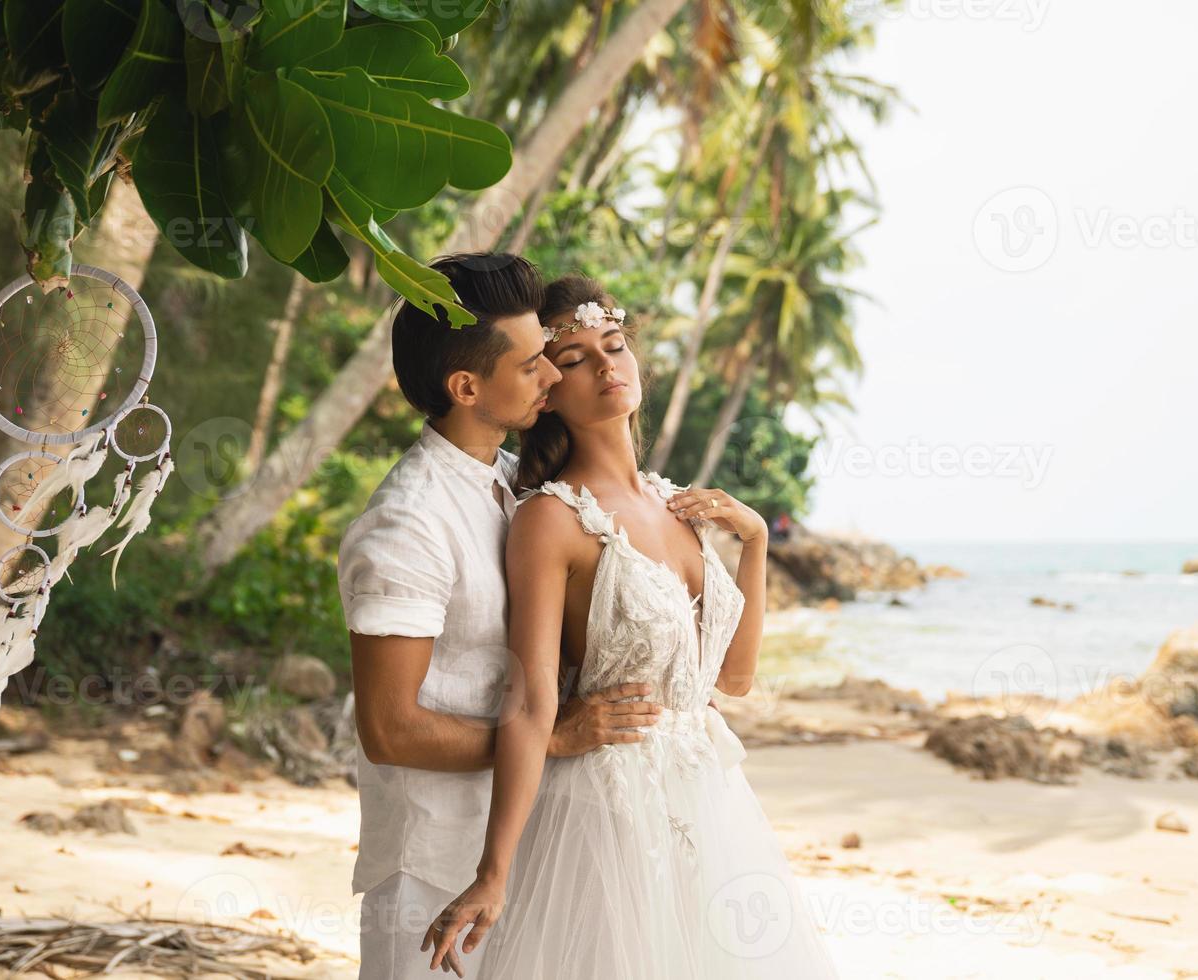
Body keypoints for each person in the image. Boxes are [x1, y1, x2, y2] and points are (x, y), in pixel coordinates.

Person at [423, 275, 840, 978]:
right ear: (548, 391)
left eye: (614, 347)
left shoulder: (678, 505)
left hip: (710, 802)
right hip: (608, 811)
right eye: (577, 359)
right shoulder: (551, 519)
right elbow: (529, 700)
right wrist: (493, 873)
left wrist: (758, 543)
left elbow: (731, 680)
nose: (607, 366)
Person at [337, 254, 670, 980]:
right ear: (466, 387)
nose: (552, 376)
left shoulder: (500, 489)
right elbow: (389, 730)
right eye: (531, 367)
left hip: (521, 850)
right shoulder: (407, 524)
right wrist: (553, 738)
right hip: (431, 870)